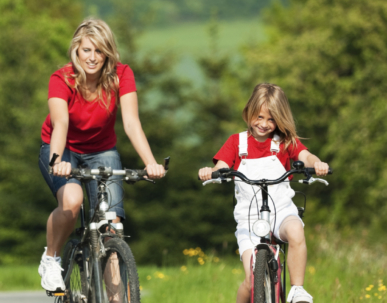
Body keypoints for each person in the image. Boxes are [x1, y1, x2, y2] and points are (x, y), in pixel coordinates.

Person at [37, 18, 166, 293]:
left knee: (111, 226)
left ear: (107, 52)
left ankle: (116, 298)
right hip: (62, 147)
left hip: (102, 150)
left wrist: (150, 163)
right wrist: (57, 161)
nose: (92, 58)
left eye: (99, 51)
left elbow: (131, 123)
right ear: (76, 50)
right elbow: (61, 123)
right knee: (72, 201)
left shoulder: (121, 74)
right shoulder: (61, 79)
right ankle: (51, 259)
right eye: (86, 50)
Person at [198, 83, 329, 303]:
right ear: (249, 112)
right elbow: (222, 166)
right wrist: (211, 172)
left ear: (280, 120)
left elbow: (306, 156)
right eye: (259, 117)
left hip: (281, 212)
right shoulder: (236, 142)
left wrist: (317, 164)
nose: (264, 124)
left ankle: (297, 289)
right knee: (251, 282)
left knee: (296, 231)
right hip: (248, 220)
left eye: (271, 119)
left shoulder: (285, 142)